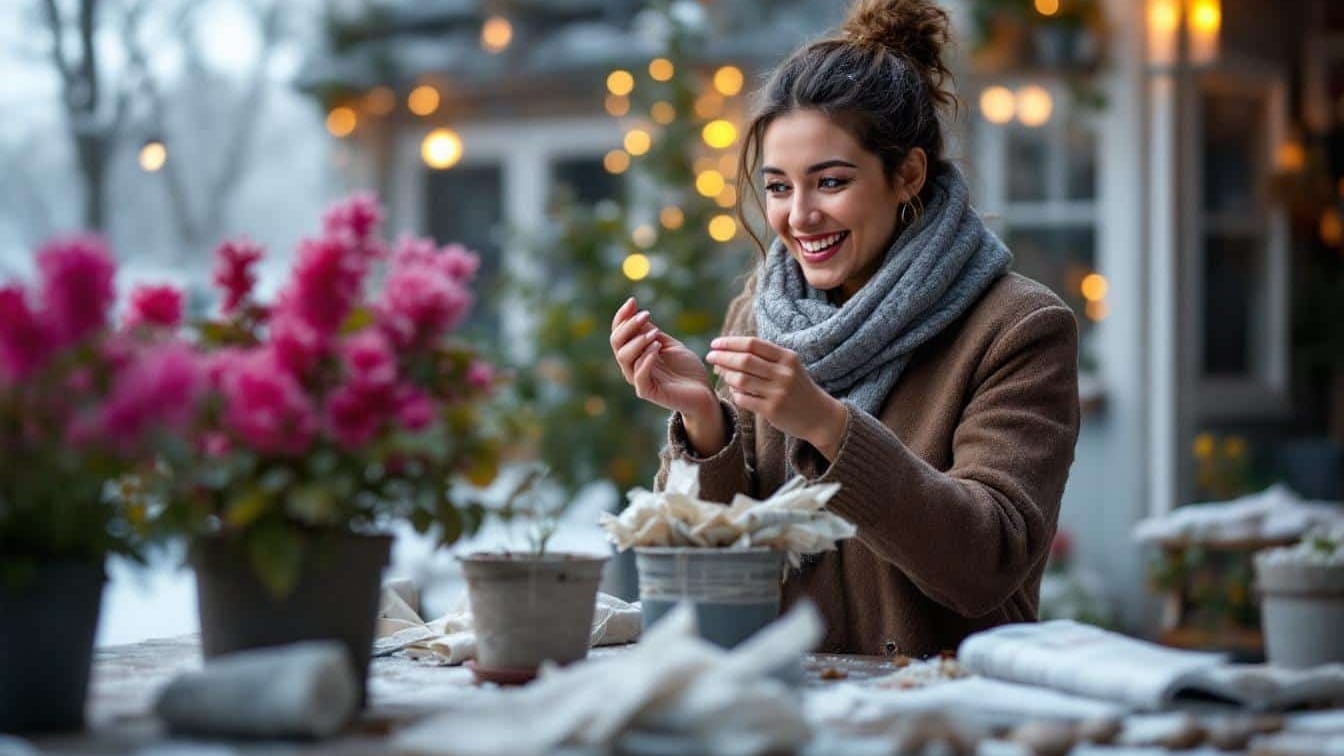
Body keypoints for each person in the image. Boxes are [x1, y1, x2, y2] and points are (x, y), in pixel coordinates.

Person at [609, 0, 1080, 658]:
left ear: (907, 174)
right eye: (778, 187)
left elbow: (987, 560)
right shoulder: (762, 313)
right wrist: (704, 423)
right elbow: (712, 565)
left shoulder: (1017, 329)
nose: (799, 216)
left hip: (948, 702)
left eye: (829, 182)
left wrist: (829, 427)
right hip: (788, 696)